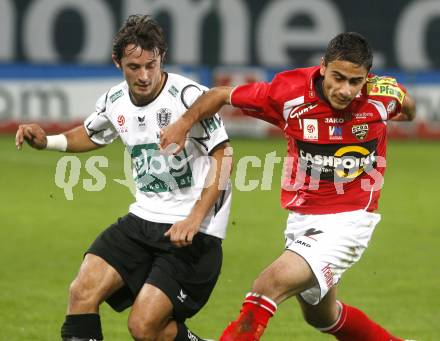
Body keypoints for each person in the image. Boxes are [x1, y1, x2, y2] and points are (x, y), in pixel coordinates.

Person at [160, 32, 416, 341]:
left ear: (366, 78)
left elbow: (407, 109)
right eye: (338, 77)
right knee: (323, 317)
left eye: (355, 81)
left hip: (351, 220)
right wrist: (182, 124)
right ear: (322, 67)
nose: (346, 90)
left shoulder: (378, 96)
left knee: (268, 285)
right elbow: (219, 95)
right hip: (302, 220)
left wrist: (399, 99)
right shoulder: (289, 93)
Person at [15, 14, 232, 341]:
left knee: (143, 327)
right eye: (134, 67)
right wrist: (48, 141)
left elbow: (225, 156)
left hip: (193, 233)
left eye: (151, 65)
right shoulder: (115, 100)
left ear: (162, 59)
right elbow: (91, 134)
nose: (144, 76)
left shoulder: (189, 96)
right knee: (81, 293)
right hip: (142, 220)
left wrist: (195, 217)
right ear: (118, 63)